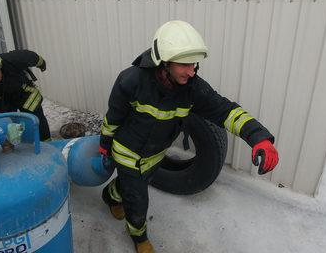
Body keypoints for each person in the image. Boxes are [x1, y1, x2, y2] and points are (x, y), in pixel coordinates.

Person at [99, 20, 280, 253]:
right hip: (128, 154)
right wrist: (105, 144)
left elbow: (226, 110)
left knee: (132, 186)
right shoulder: (131, 81)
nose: (191, 70)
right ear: (163, 61)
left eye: (194, 63)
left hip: (155, 155)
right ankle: (139, 237)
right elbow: (113, 117)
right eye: (184, 64)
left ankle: (110, 196)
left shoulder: (192, 88)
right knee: (137, 202)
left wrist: (258, 137)